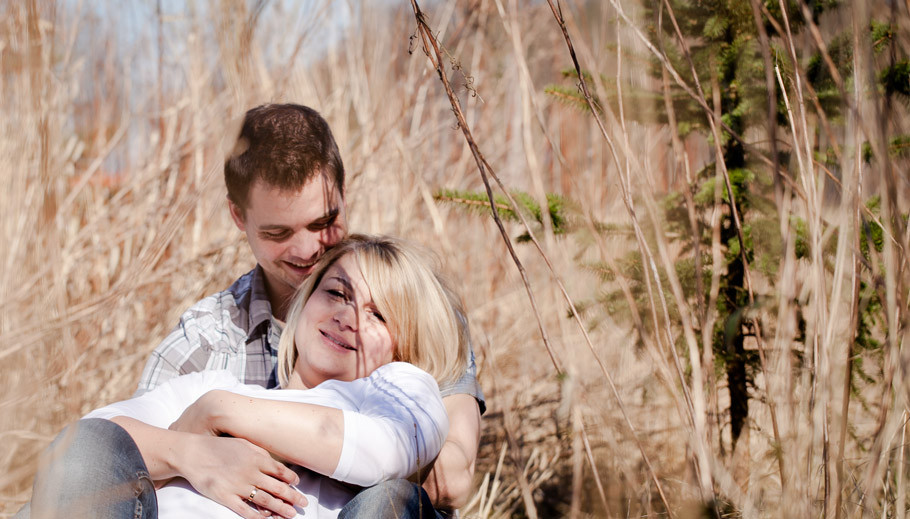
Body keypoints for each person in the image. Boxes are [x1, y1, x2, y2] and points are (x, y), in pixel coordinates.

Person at [17, 104, 484, 518]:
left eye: (323, 222)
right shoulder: (205, 347)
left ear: (343, 192)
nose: (308, 251)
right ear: (239, 217)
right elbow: (112, 464)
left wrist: (227, 417)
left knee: (393, 497)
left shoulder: (417, 306)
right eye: (279, 233)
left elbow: (447, 478)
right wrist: (191, 454)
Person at [25, 235, 468, 519]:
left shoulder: (399, 391)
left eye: (378, 315)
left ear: (404, 345)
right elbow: (88, 448)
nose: (347, 317)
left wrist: (219, 413)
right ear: (305, 301)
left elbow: (383, 453)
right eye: (336, 293)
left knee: (391, 502)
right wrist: (191, 454)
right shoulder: (207, 383)